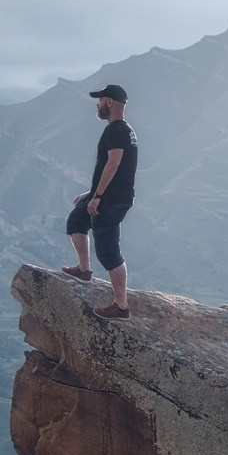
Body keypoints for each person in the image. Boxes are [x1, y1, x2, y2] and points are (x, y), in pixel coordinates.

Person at [59, 83, 138, 318]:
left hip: (111, 202)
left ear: (110, 103)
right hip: (106, 196)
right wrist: (91, 193)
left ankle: (121, 306)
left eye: (100, 99)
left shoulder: (116, 130)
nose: (98, 103)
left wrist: (99, 197)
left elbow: (114, 163)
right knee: (76, 221)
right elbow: (113, 167)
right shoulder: (125, 130)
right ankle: (84, 270)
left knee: (108, 251)